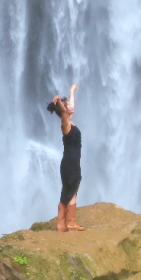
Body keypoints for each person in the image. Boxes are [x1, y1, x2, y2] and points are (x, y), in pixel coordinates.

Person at [46, 83, 85, 232]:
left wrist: (71, 92)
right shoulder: (65, 124)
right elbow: (64, 111)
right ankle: (71, 222)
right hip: (70, 163)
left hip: (70, 162)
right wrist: (59, 103)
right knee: (72, 190)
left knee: (68, 191)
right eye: (67, 106)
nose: (71, 107)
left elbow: (70, 107)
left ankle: (61, 224)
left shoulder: (69, 120)